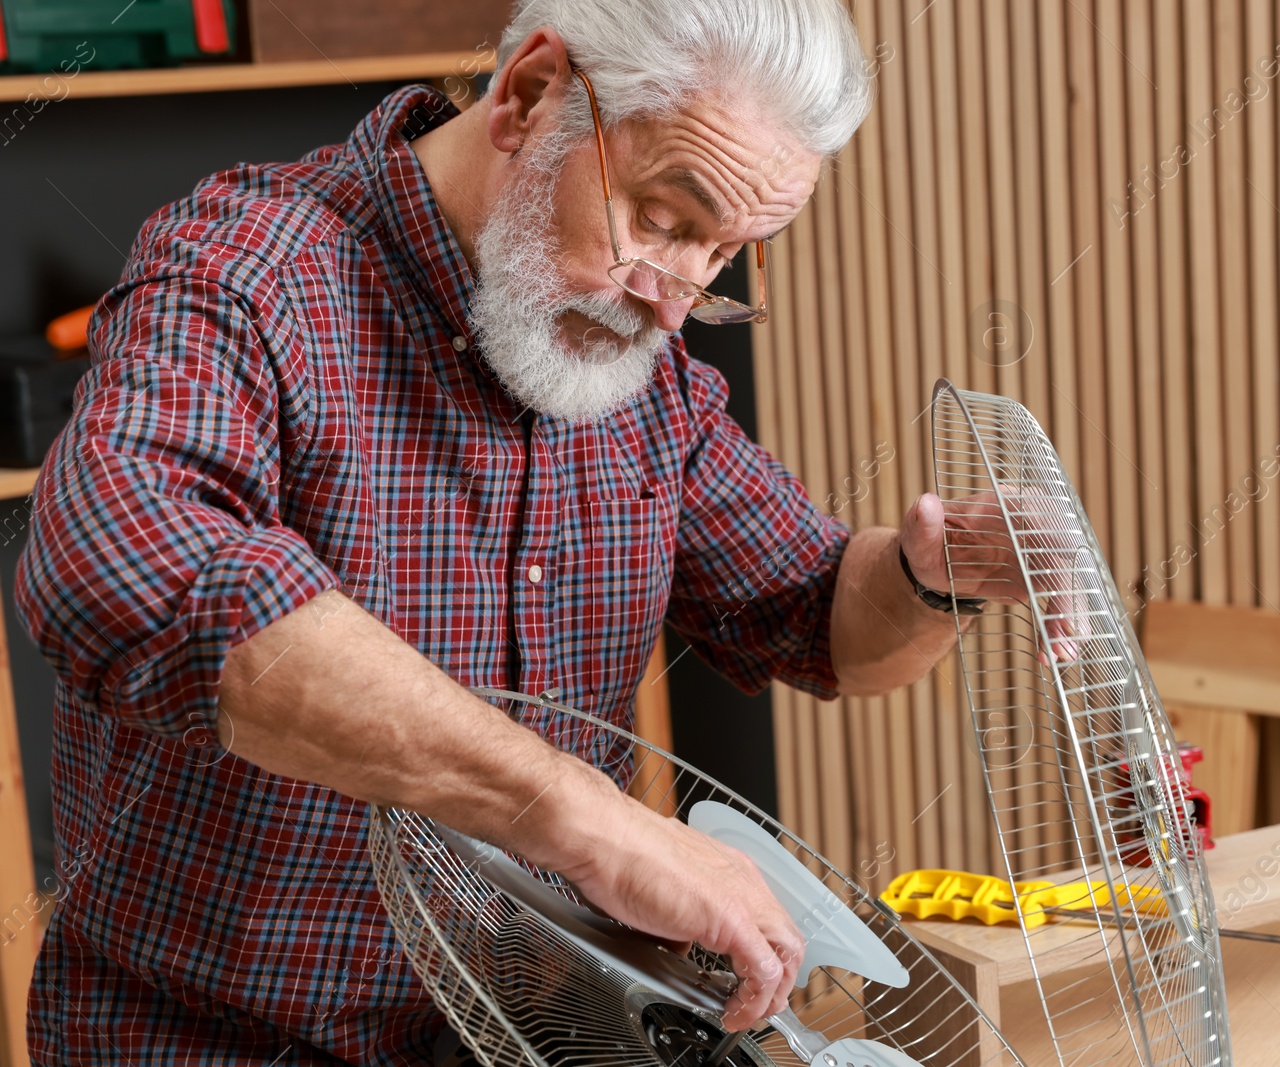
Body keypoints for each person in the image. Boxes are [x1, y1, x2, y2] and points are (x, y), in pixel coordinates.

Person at [15, 1, 1034, 1062]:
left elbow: (818, 611)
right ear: (530, 93)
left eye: (725, 255)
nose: (676, 304)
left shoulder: (635, 367)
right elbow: (124, 562)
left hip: (530, 1037)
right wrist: (572, 812)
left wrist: (928, 575)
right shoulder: (246, 270)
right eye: (663, 218)